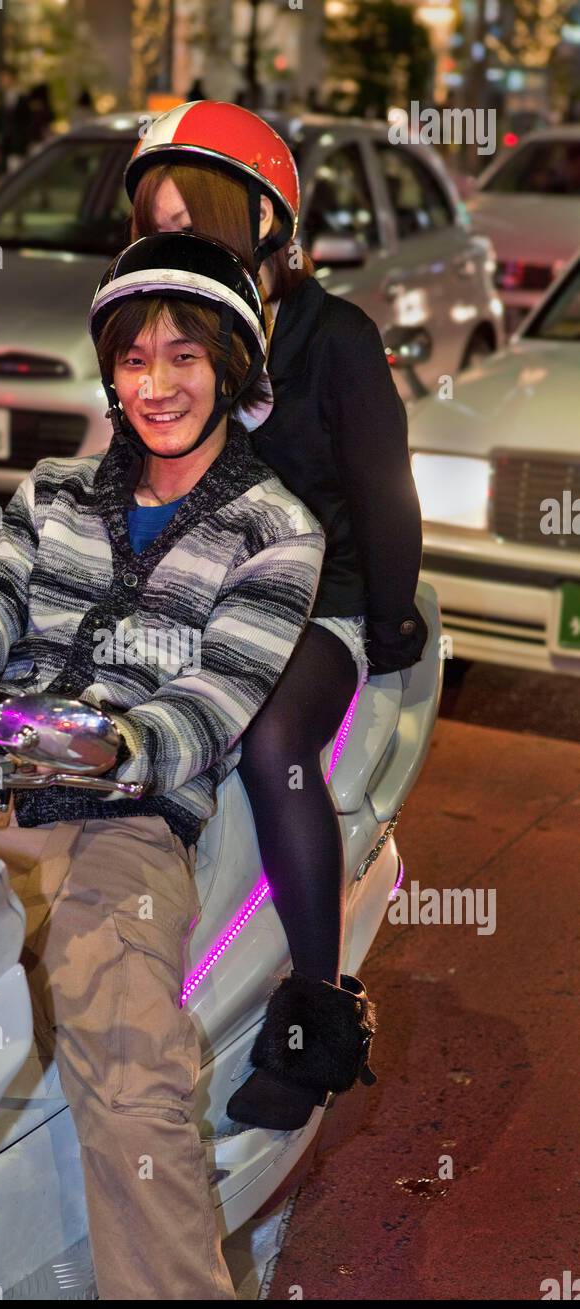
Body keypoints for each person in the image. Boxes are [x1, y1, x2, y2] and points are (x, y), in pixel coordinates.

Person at [0, 233, 353, 1300]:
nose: (155, 386)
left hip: (127, 825)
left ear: (230, 364)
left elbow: (214, 703)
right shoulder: (52, 489)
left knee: (132, 1072)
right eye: (135, 360)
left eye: (183, 358)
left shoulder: (275, 529)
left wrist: (119, 745)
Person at [125, 101, 426, 1132]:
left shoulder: (335, 336)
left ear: (262, 219)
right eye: (156, 222)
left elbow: (384, 491)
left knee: (268, 741)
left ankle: (318, 1009)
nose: (174, 241)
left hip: (321, 603)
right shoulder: (173, 333)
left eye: (193, 218)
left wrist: (389, 625)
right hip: (202, 594)